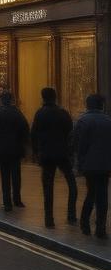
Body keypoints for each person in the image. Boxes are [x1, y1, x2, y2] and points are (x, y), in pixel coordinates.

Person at [31, 86, 77, 229]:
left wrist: (36, 152)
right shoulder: (63, 113)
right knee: (72, 184)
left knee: (48, 188)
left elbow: (33, 134)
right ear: (55, 97)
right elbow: (71, 133)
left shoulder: (39, 114)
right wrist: (70, 151)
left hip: (46, 155)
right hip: (62, 153)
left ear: (43, 97)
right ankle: (71, 214)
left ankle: (49, 219)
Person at [73, 93, 110, 240]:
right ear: (101, 105)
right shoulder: (108, 121)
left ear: (88, 105)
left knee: (91, 193)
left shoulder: (82, 121)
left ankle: (85, 223)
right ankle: (101, 228)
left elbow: (78, 145)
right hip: (105, 164)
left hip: (89, 164)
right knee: (103, 195)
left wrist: (79, 163)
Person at [0, 90, 29, 212]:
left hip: (1, 150)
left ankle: (7, 203)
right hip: (15, 149)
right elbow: (25, 129)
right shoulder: (17, 113)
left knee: (5, 176)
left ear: (2, 100)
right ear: (11, 99)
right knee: (16, 175)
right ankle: (17, 200)